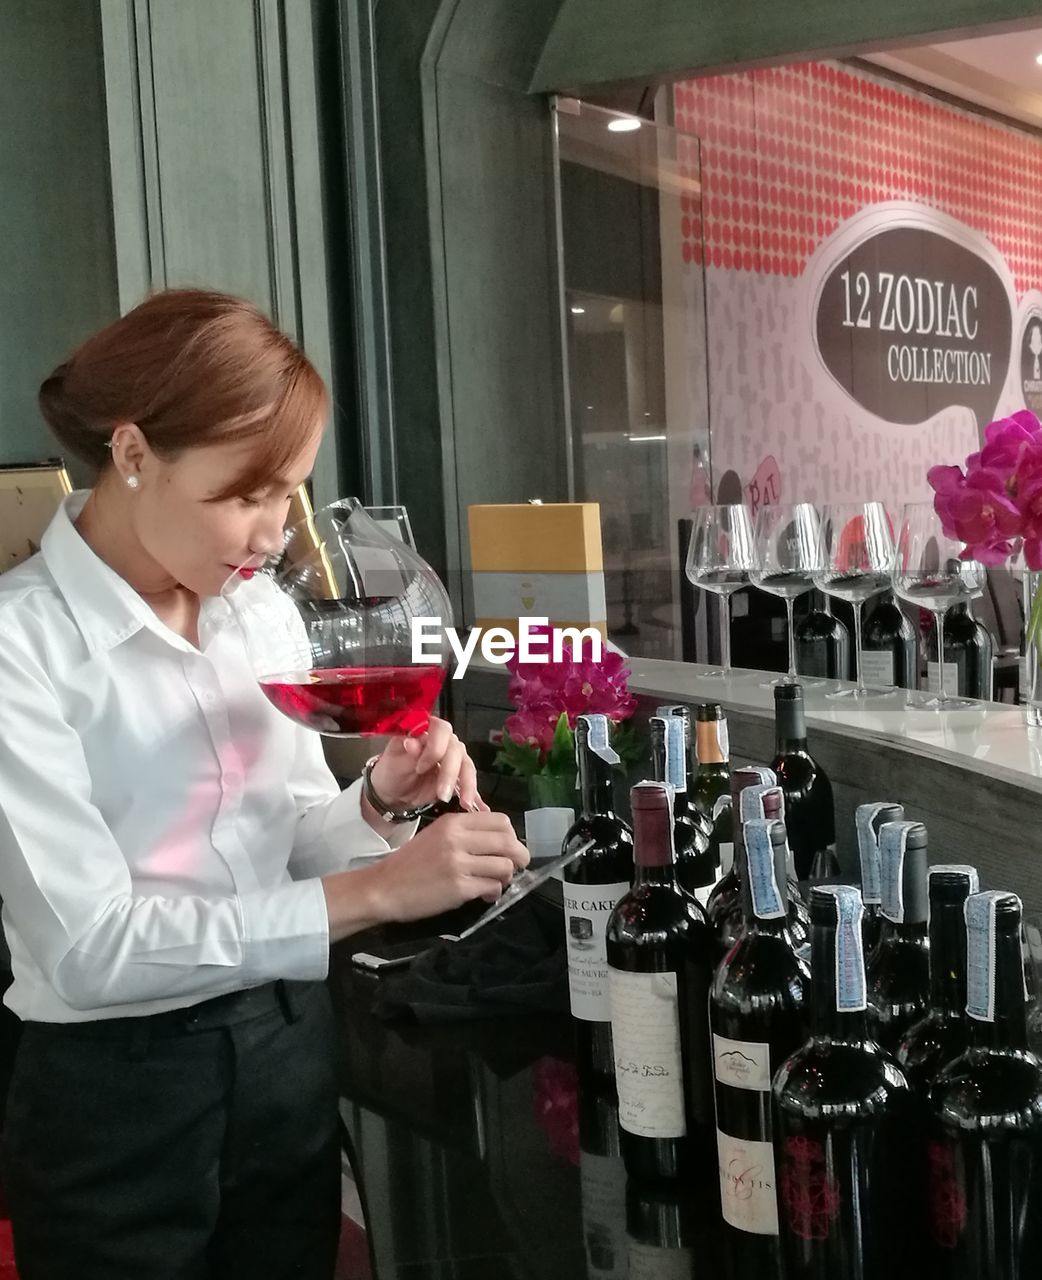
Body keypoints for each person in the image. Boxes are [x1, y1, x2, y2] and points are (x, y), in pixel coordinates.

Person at [0, 288, 528, 1280]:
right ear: (132, 452)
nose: (271, 534)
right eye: (243, 493)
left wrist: (378, 805)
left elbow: (280, 837)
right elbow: (89, 949)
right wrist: (377, 888)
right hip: (115, 1101)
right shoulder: (18, 646)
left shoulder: (255, 617)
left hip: (286, 1051)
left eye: (288, 490)